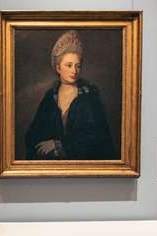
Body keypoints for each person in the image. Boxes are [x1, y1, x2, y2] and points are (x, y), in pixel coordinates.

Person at [25, 30, 115, 160]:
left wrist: (59, 145)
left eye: (78, 66)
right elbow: (33, 136)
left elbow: (99, 139)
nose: (74, 71)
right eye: (69, 65)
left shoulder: (89, 96)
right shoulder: (50, 97)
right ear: (58, 68)